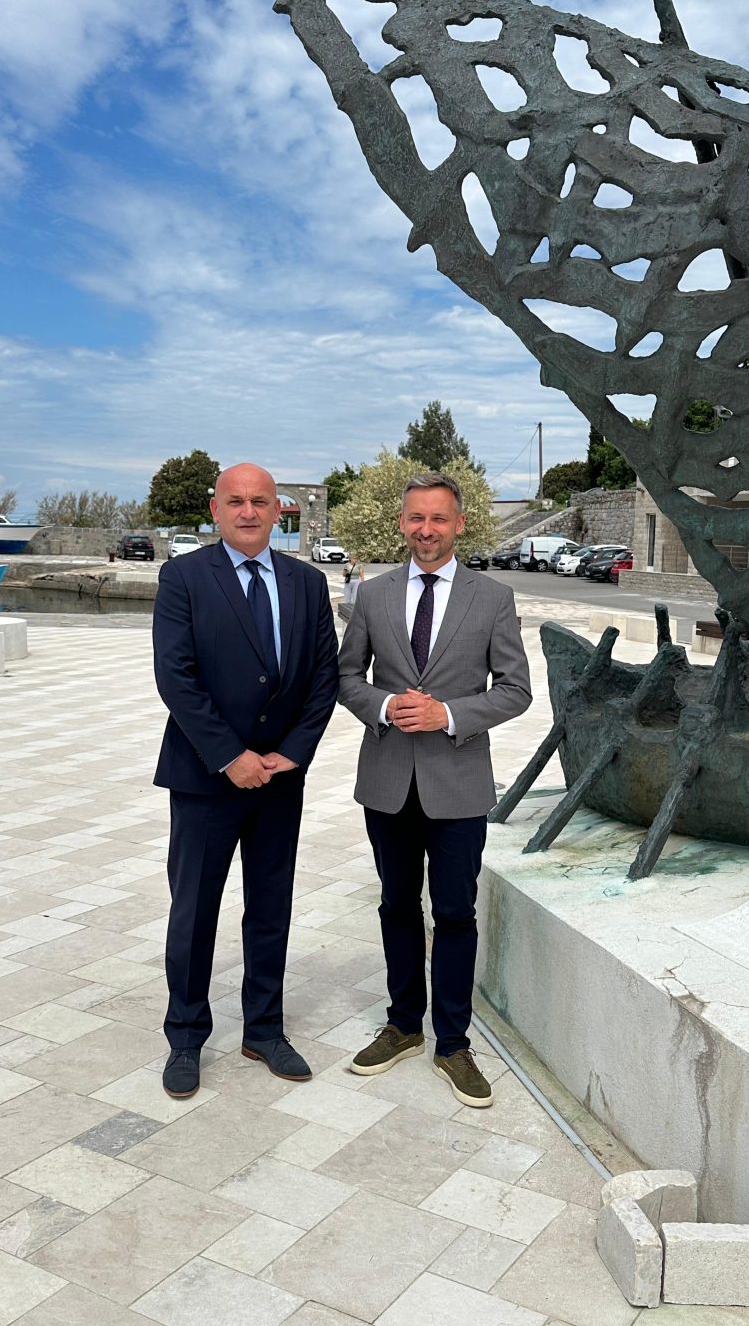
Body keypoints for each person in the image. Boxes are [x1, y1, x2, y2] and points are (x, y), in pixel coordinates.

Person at [337, 471, 531, 1107]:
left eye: (439, 519)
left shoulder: (493, 597)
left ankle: (453, 1043)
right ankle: (402, 1026)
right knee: (397, 906)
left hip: (458, 784)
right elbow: (345, 677)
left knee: (454, 913)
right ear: (403, 523)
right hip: (388, 781)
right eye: (417, 518)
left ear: (459, 524)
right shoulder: (373, 595)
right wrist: (384, 705)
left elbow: (516, 690)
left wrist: (448, 714)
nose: (427, 530)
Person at [152, 463, 338, 1097]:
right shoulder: (183, 577)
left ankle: (264, 1028)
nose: (249, 512)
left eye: (260, 501)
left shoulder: (308, 583)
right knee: (194, 910)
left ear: (279, 510)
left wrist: (293, 752)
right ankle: (185, 1036)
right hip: (206, 778)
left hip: (280, 780)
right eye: (236, 501)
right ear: (216, 508)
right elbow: (176, 676)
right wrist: (230, 755)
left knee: (270, 908)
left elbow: (324, 677)